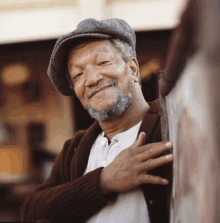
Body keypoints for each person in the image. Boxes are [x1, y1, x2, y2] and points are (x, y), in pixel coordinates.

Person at [21, 18, 173, 223]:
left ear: (133, 69)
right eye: (78, 75)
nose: (92, 79)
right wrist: (102, 182)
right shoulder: (74, 150)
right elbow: (31, 211)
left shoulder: (169, 127)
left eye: (103, 62)